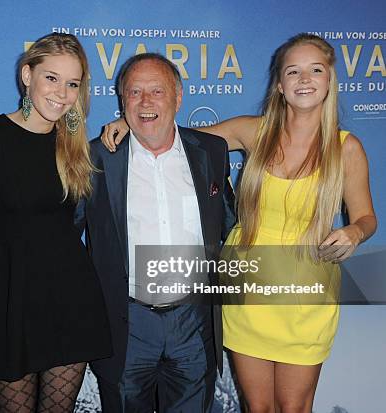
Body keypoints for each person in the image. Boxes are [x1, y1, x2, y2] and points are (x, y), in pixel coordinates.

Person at [101, 33, 377, 412]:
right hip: (246, 293)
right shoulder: (254, 131)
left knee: (294, 407)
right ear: (280, 85)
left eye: (315, 69)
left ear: (330, 79)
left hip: (305, 297)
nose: (304, 79)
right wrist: (131, 119)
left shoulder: (346, 148)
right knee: (256, 407)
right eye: (292, 71)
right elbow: (174, 138)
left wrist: (355, 231)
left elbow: (366, 217)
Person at [76, 52, 236, 412]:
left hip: (194, 327)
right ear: (122, 101)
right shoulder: (97, 159)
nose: (145, 102)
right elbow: (67, 236)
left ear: (178, 96)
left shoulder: (211, 151)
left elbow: (228, 223)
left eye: (157, 91)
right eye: (134, 93)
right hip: (127, 325)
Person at [0, 33, 112, 412]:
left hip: (70, 301)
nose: (62, 93)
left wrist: (127, 124)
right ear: (27, 75)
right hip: (9, 306)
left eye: (72, 83)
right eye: (51, 78)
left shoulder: (75, 143)